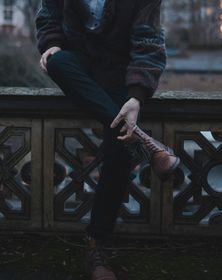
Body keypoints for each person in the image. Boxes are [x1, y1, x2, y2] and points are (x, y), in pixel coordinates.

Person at [34, 1, 179, 279]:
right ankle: (142, 140)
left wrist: (136, 96)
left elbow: (148, 42)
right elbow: (48, 15)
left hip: (119, 74)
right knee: (58, 61)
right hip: (79, 67)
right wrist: (51, 43)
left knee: (120, 151)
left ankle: (95, 244)